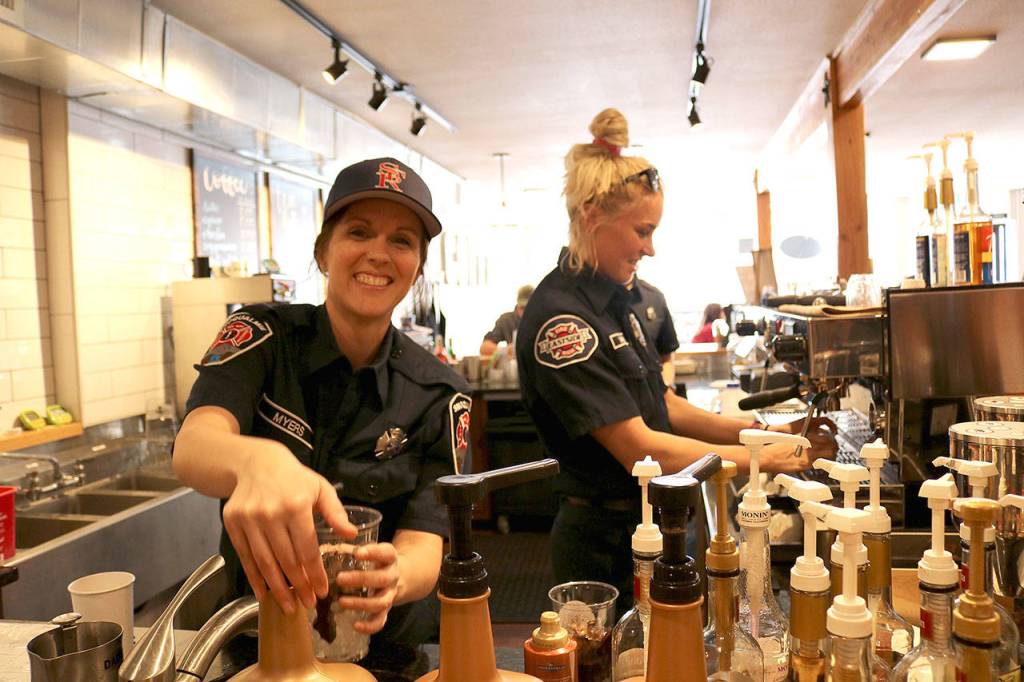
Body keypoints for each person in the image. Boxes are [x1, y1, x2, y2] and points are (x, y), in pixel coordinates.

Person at [515, 108, 836, 608]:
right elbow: (640, 447)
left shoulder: (617, 300)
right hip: (605, 542)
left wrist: (771, 434)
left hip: (656, 521)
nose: (650, 249)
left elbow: (664, 407)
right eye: (642, 231)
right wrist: (766, 458)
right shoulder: (565, 321)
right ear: (591, 217)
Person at [173, 158, 471, 667]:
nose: (378, 254)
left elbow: (428, 539)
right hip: (257, 646)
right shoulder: (260, 337)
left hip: (381, 656)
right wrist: (259, 461)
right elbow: (194, 446)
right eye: (359, 232)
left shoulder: (440, 392)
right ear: (323, 251)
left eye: (402, 241)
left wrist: (394, 574)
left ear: (417, 266)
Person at [630, 277, 679, 386]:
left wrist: (666, 386)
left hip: (653, 394)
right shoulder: (586, 302)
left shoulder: (654, 297)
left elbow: (667, 355)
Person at [479, 284, 534, 355]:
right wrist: (506, 350)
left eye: (529, 308)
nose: (525, 313)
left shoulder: (542, 319)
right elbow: (484, 347)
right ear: (517, 305)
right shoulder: (507, 320)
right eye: (522, 308)